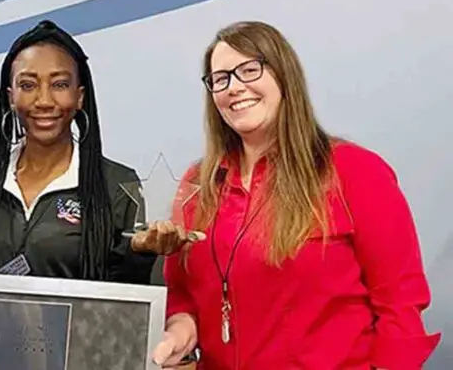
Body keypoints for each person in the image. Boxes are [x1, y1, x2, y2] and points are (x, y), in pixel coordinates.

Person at [132, 21, 441, 369]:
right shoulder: (197, 185)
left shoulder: (355, 171)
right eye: (221, 79)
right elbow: (185, 297)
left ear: (283, 76)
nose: (234, 87)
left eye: (249, 70)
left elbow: (399, 303)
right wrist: (177, 335)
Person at [0, 19, 156, 284]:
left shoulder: (117, 185)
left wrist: (139, 253)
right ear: (11, 96)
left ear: (80, 96)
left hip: (80, 327)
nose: (44, 101)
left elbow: (124, 301)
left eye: (59, 85)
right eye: (27, 85)